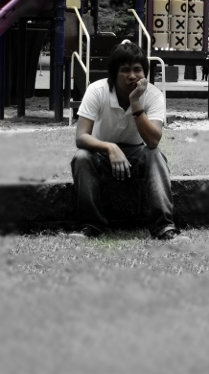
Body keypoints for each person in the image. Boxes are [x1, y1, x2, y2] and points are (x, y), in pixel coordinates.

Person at [70, 42, 182, 240]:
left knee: (155, 154)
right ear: (114, 73)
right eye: (125, 70)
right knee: (81, 157)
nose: (132, 76)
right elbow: (81, 137)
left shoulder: (154, 95)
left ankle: (164, 227)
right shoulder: (97, 90)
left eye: (137, 69)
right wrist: (110, 147)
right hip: (102, 154)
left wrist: (136, 101)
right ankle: (91, 225)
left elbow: (153, 141)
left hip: (137, 155)